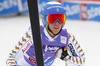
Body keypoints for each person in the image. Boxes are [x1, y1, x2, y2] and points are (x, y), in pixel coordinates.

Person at [6, 1, 86, 66]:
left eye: (61, 19)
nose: (57, 23)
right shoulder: (33, 34)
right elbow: (11, 58)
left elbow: (81, 60)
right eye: (52, 19)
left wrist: (66, 57)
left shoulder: (67, 37)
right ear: (45, 20)